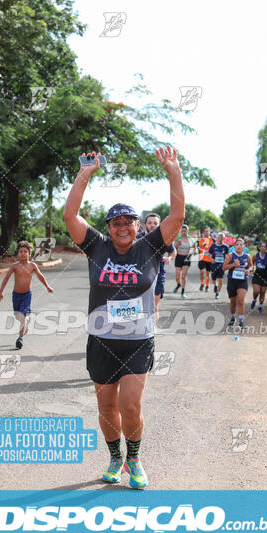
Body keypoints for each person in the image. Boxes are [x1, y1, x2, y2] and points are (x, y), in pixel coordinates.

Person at [63, 146, 184, 488]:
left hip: (137, 342)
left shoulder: (150, 246)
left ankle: (134, 458)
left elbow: (177, 214)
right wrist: (84, 174)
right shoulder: (96, 246)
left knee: (130, 406)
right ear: (109, 227)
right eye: (116, 223)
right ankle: (115, 457)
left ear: (136, 226)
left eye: (128, 222)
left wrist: (173, 172)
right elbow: (70, 217)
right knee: (106, 409)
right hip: (101, 340)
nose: (122, 227)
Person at [0, 240, 54, 349]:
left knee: (22, 316)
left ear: (30, 254)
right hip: (16, 295)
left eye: (25, 251)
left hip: (27, 295)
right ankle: (26, 321)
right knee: (18, 316)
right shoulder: (14, 266)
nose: (23, 253)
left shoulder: (32, 265)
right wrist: (0, 291)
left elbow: (40, 276)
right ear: (18, 254)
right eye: (21, 251)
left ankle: (20, 338)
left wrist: (47, 286)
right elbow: (6, 278)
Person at [137, 213, 176, 321]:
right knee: (138, 307)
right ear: (145, 225)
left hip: (157, 276)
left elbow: (173, 252)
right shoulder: (138, 238)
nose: (152, 225)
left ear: (159, 225)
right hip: (138, 276)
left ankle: (152, 334)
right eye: (150, 223)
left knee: (154, 307)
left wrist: (169, 258)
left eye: (155, 223)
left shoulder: (164, 238)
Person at [223, 237, 253, 329]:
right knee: (233, 302)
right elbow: (223, 268)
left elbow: (252, 267)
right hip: (232, 281)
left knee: (240, 300)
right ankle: (232, 318)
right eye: (237, 245)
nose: (239, 246)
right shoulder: (231, 255)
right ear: (234, 246)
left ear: (244, 246)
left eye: (241, 245)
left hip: (242, 281)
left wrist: (249, 270)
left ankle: (241, 320)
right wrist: (233, 264)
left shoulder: (247, 256)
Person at [173, 224, 196, 298]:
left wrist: (194, 251)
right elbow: (173, 248)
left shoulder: (191, 239)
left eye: (185, 231)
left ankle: (183, 292)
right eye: (182, 231)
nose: (183, 232)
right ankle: (178, 284)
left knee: (183, 276)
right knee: (177, 275)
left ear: (187, 231)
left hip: (187, 258)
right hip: (179, 257)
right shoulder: (178, 239)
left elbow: (195, 247)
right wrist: (176, 245)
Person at [251, 241, 267, 313]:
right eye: (262, 246)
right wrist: (252, 269)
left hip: (265, 275)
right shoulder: (255, 256)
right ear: (259, 247)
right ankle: (254, 300)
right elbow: (251, 264)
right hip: (257, 275)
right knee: (256, 291)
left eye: (264, 247)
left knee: (263, 292)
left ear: (266, 248)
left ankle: (260, 306)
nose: (263, 248)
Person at [209, 232, 229, 299]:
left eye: (222, 237)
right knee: (213, 279)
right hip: (214, 265)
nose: (221, 238)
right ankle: (215, 285)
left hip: (221, 265)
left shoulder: (225, 246)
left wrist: (226, 262)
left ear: (223, 238)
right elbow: (209, 254)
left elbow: (228, 255)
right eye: (220, 236)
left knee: (220, 279)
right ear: (217, 237)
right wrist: (211, 259)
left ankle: (217, 293)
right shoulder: (213, 246)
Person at [198, 227, 214, 291]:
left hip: (209, 259)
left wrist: (210, 248)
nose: (206, 232)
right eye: (205, 231)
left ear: (209, 232)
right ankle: (202, 283)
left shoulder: (212, 240)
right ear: (203, 232)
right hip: (202, 258)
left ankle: (207, 285)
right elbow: (197, 248)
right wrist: (202, 246)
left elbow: (214, 249)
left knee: (208, 273)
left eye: (207, 231)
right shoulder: (200, 240)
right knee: (202, 272)